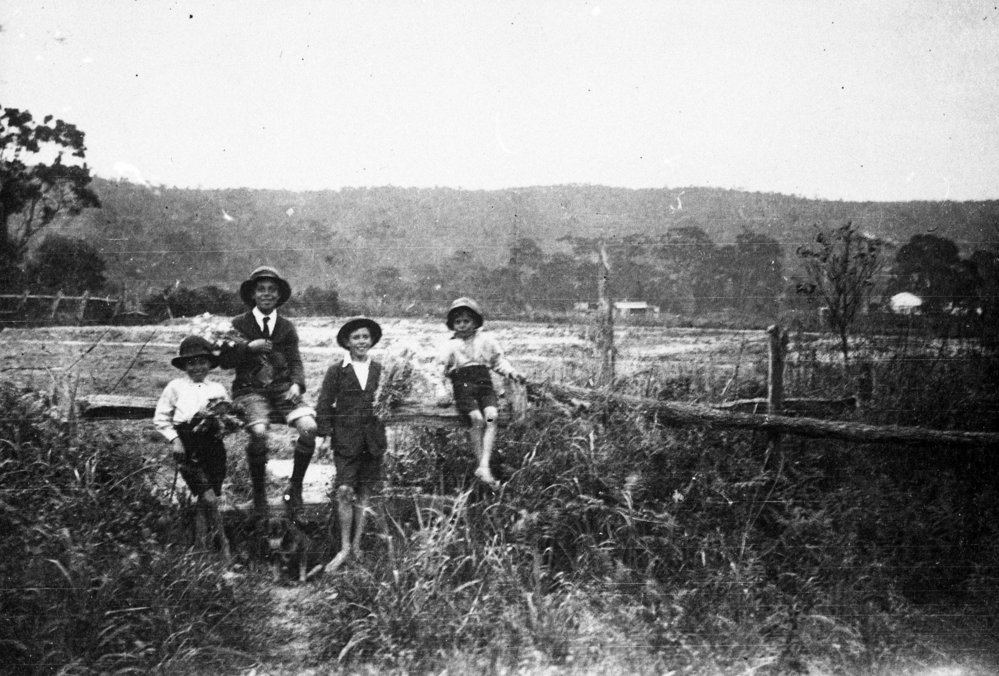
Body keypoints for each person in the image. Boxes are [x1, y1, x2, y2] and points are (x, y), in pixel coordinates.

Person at [217, 266, 318, 521]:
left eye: (271, 290)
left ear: (278, 295)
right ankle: (260, 495)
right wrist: (249, 347)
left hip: (282, 389)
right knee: (259, 432)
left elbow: (295, 361)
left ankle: (294, 490)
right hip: (250, 391)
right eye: (261, 290)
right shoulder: (238, 324)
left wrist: (297, 384)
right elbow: (226, 361)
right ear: (252, 294)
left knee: (309, 428)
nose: (266, 294)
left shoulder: (286, 327)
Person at [315, 317, 387, 572]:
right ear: (347, 342)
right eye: (356, 337)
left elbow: (388, 402)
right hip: (345, 440)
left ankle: (357, 547)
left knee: (365, 492)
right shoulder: (337, 370)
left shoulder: (380, 370)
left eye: (365, 337)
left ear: (372, 341)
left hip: (373, 440)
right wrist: (324, 435)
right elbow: (324, 403)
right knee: (345, 490)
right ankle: (344, 547)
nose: (361, 342)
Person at [154, 335, 233, 559]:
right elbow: (161, 418)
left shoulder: (217, 387)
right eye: (191, 363)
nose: (197, 367)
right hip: (187, 445)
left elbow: (225, 417)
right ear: (184, 366)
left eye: (201, 361)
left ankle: (202, 550)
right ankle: (224, 545)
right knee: (207, 496)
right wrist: (175, 440)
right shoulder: (175, 387)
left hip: (213, 446)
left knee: (206, 500)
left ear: (209, 363)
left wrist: (225, 425)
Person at [436, 297, 525, 489]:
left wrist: (512, 372)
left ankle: (484, 465)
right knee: (476, 419)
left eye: (466, 321)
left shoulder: (486, 341)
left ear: (476, 322)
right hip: (463, 385)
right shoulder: (449, 345)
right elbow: (440, 370)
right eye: (458, 322)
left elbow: (499, 362)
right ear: (452, 325)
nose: (462, 326)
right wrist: (441, 390)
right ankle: (481, 465)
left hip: (484, 384)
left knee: (492, 417)